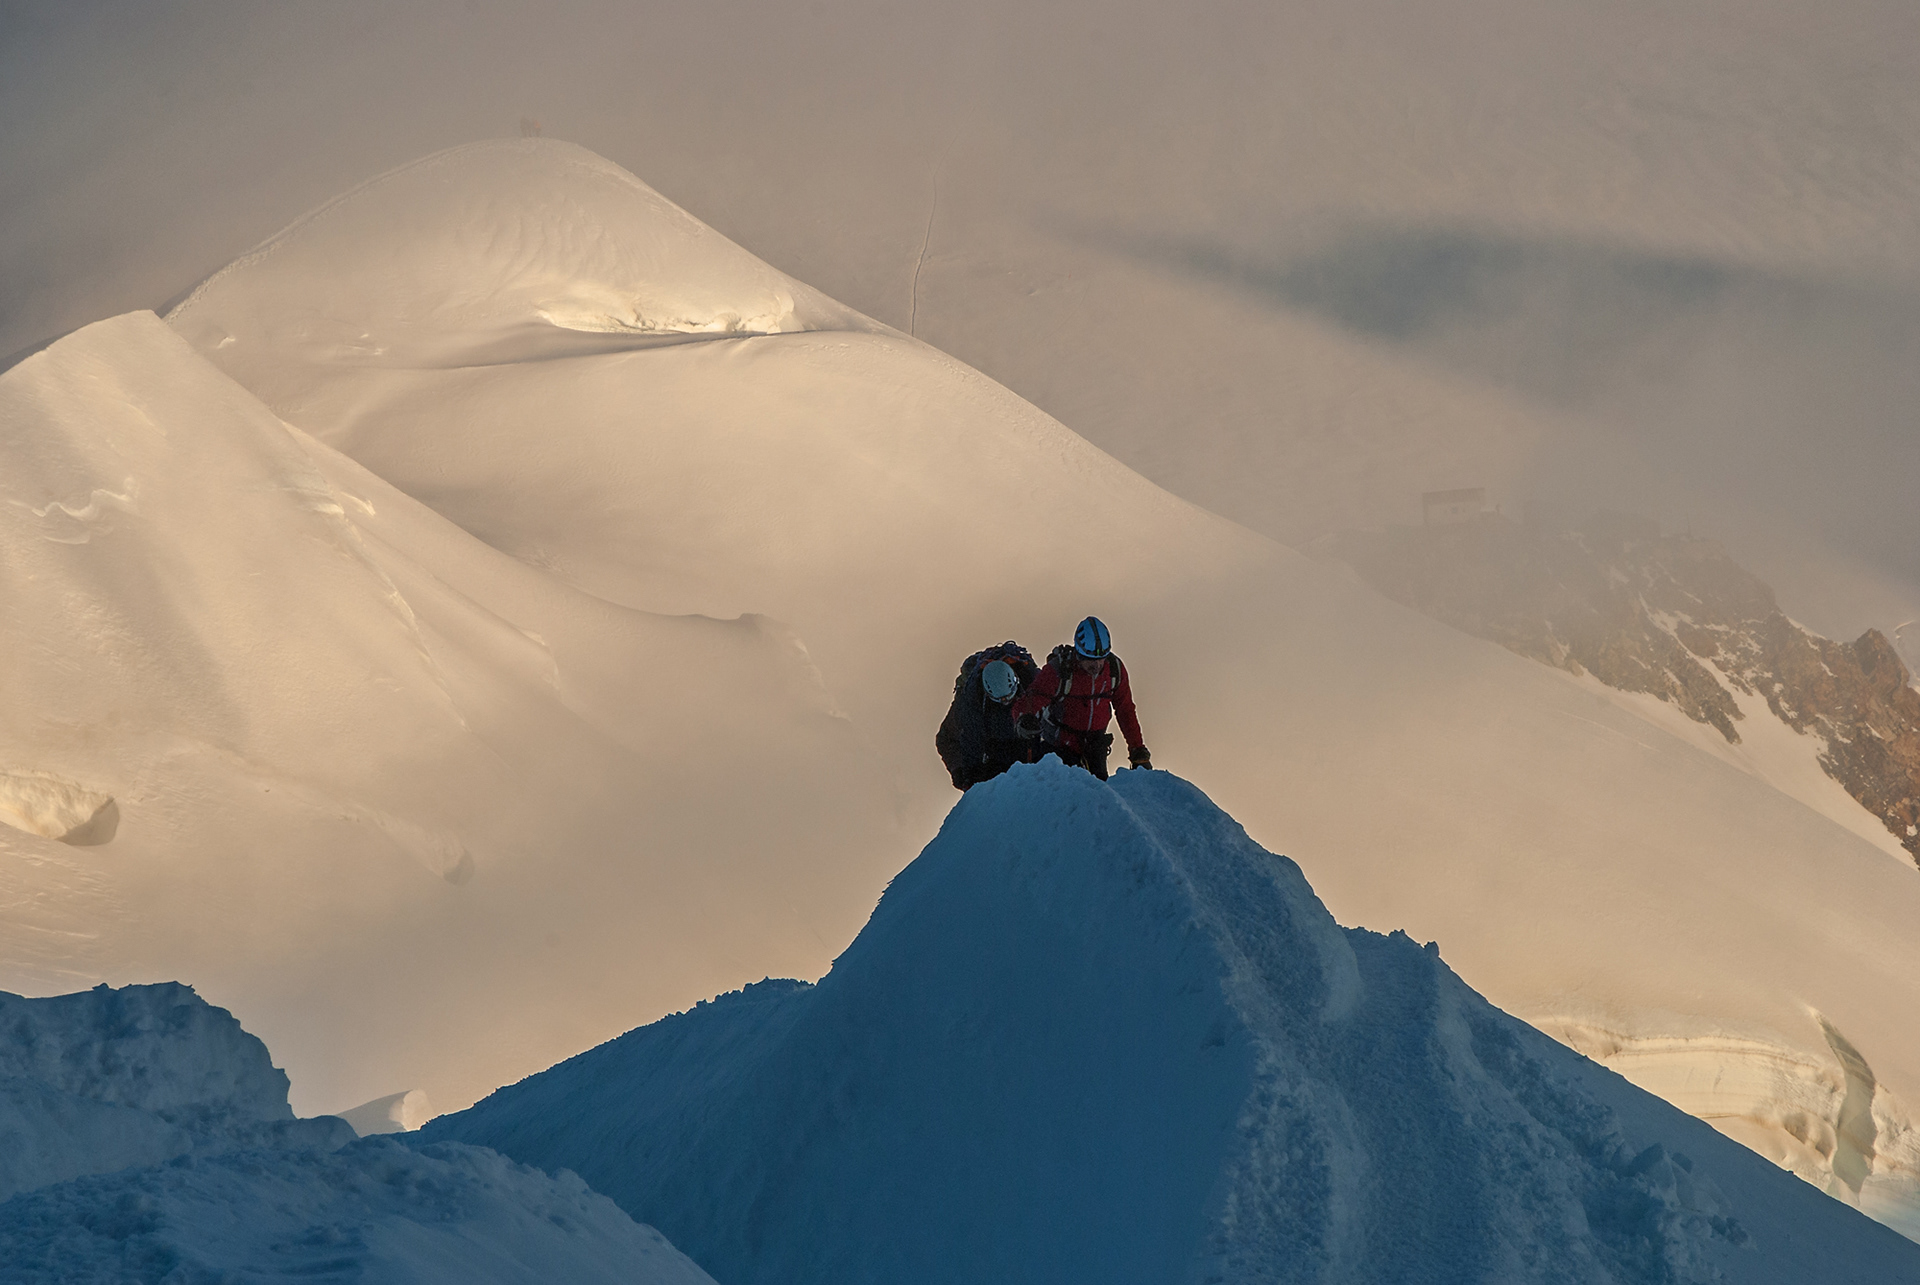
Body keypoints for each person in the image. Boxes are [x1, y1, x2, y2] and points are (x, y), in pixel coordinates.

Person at [1011, 616, 1151, 780]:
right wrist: (1024, 719)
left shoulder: (1114, 670)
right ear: (1078, 654)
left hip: (1095, 746)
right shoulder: (1059, 671)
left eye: (1101, 659)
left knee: (1098, 795)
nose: (1097, 665)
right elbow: (1028, 702)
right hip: (1059, 749)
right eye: (1091, 660)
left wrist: (1137, 749)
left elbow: (1125, 710)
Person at [935, 643, 1041, 791]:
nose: (1006, 703)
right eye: (1001, 700)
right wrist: (964, 773)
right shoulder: (971, 705)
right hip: (995, 760)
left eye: (1009, 698)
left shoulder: (1035, 685)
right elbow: (955, 740)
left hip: (1028, 753)